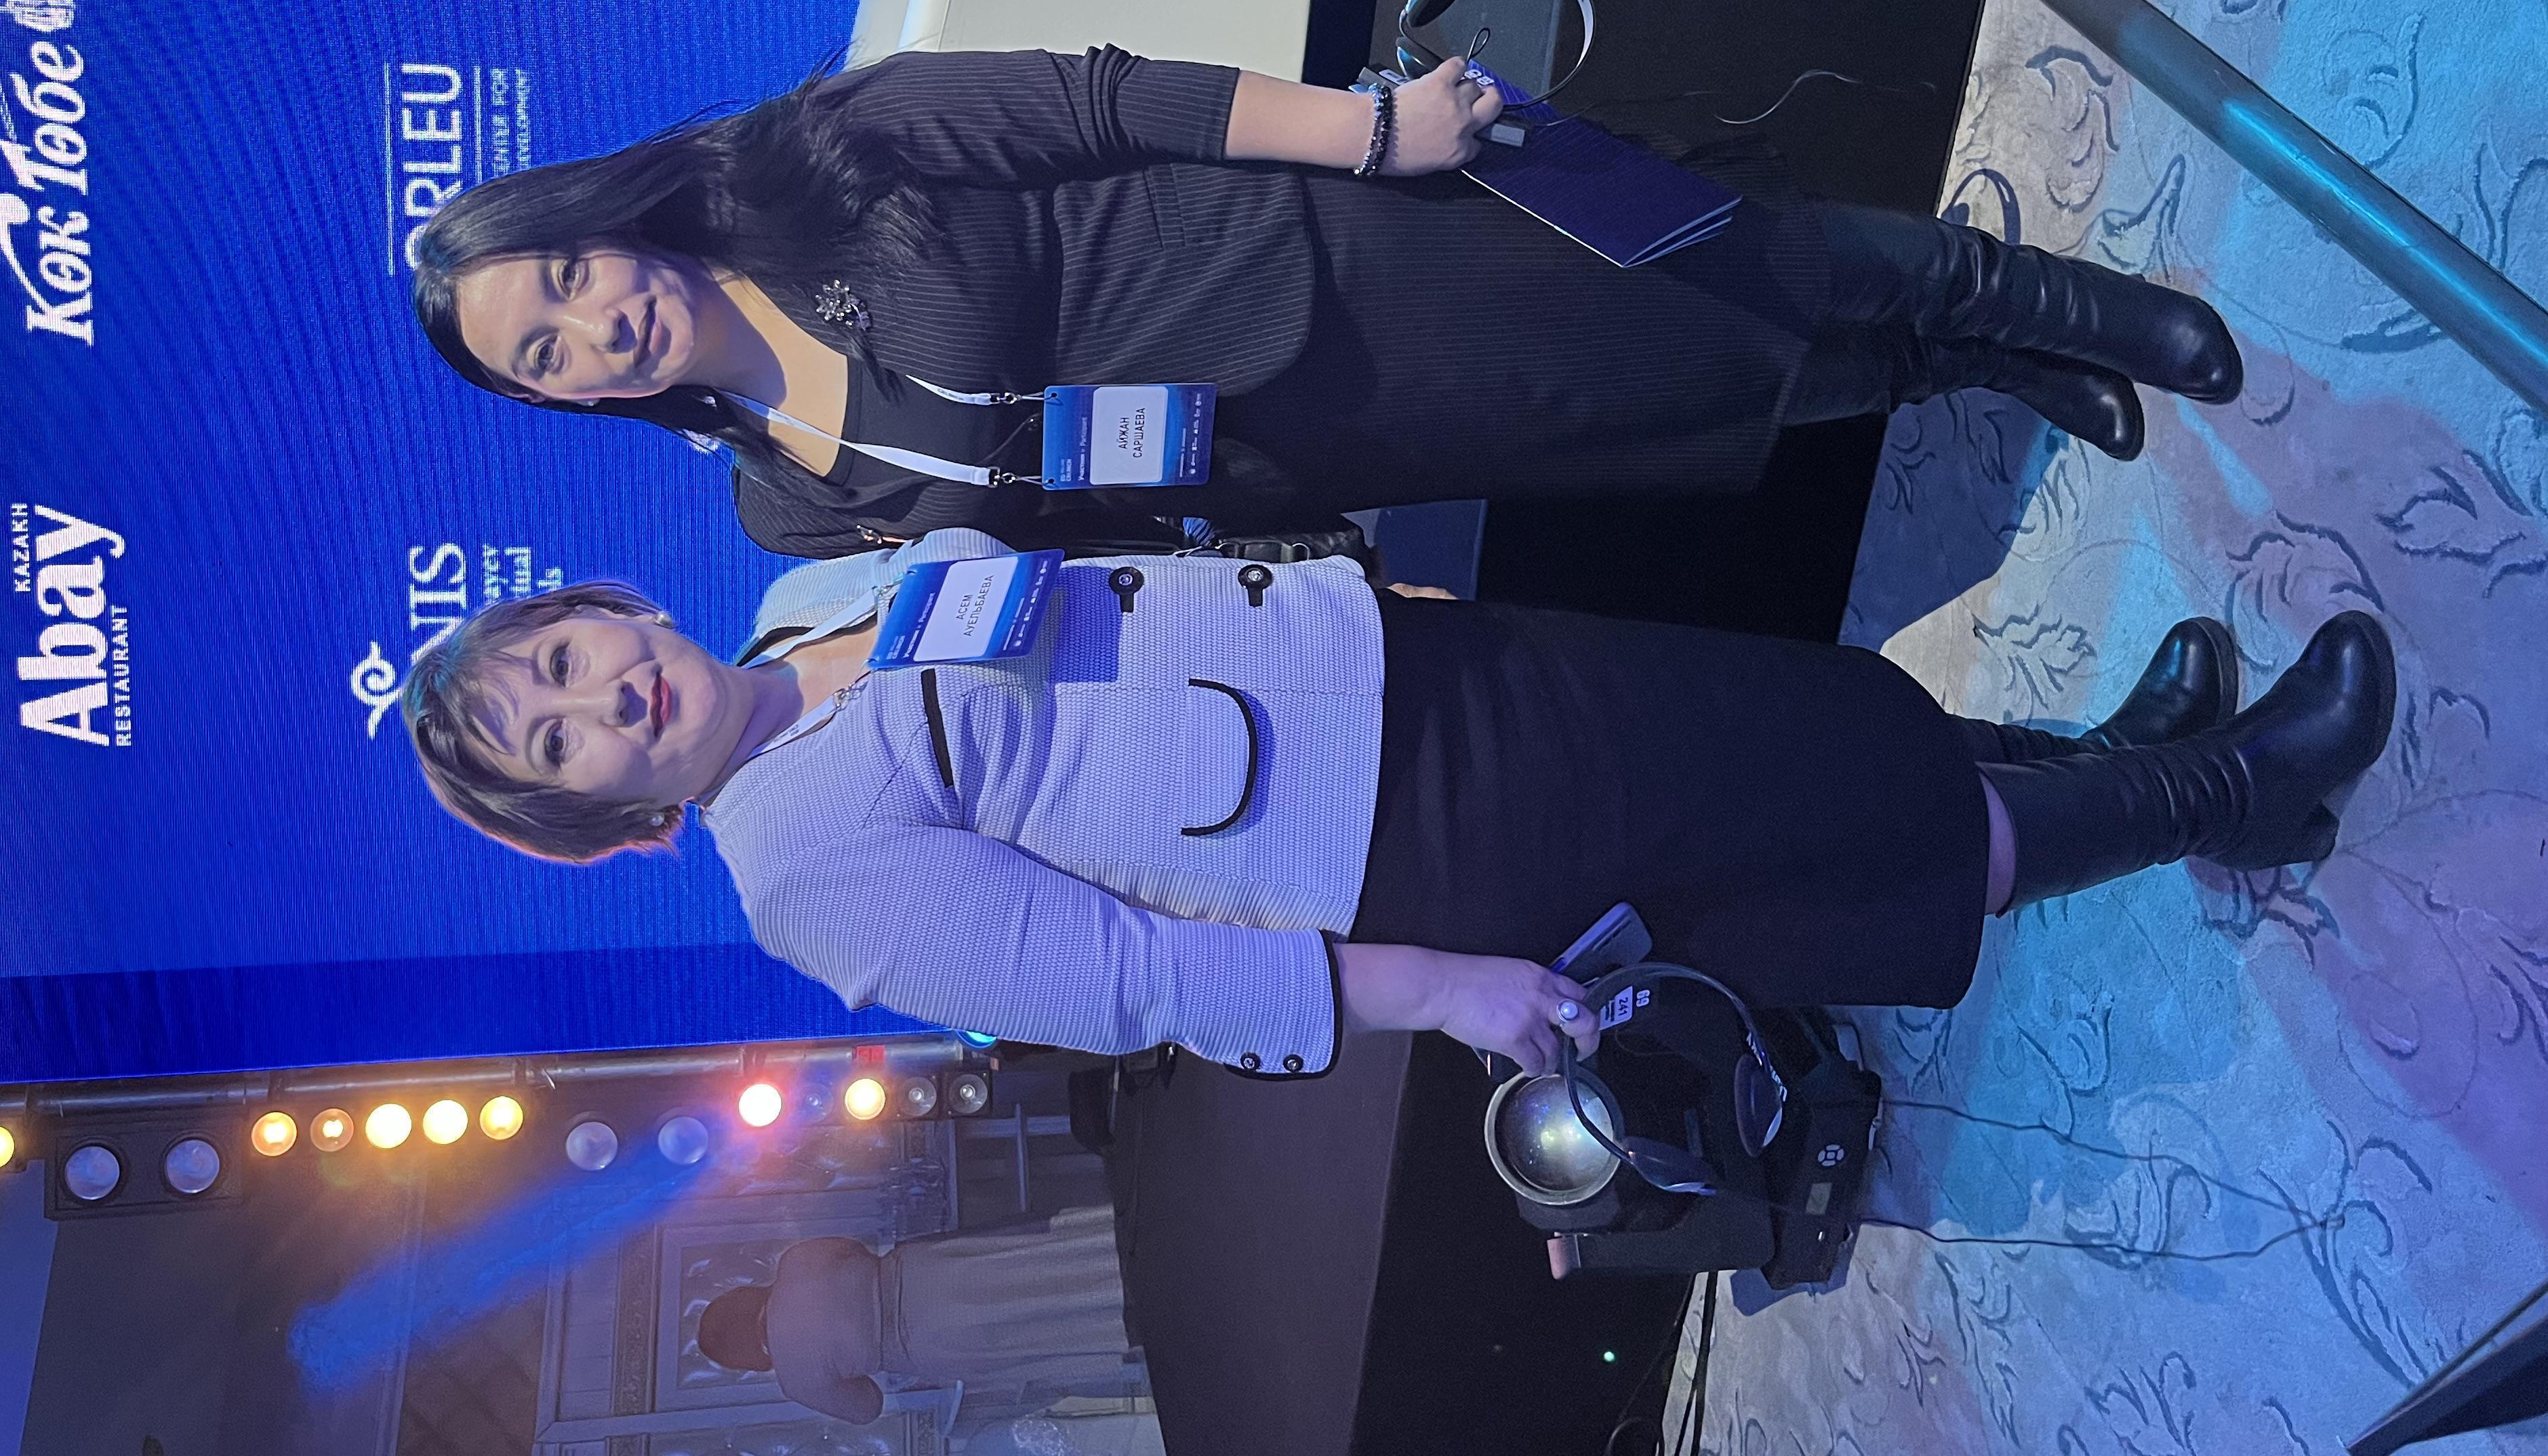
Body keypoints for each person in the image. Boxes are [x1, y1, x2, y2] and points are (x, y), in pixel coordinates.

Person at [399, 532, 2393, 1077]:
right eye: (558, 743)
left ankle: (2114, 763)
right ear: (613, 822)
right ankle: (2227, 794)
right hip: (1407, 835)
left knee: (1798, 728)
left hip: (1394, 670)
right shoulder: (794, 870)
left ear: (605, 609)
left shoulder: (804, 595)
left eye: (561, 659)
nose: (597, 697)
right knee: (1816, 841)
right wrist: (1440, 992)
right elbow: (1127, 982)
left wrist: (1354, 598)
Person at [409, 47, 2244, 557]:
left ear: (600, 219)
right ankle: (1961, 370)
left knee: (1722, 263)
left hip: (1340, 258)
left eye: (561, 276)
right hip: (1318, 443)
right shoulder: (783, 505)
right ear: (564, 403)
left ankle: (2053, 303)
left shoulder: (833, 150)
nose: (590, 327)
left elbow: (1110, 103)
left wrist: (1375, 133)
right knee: (1678, 408)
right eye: (544, 357)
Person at [691, 1207, 1133, 1424]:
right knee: (1037, 1265)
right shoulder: (796, 1261)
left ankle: (1131, 1325)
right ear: (744, 1296)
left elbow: (867, 1407)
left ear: (746, 1358)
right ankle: (1125, 1252)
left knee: (1038, 1332)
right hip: (926, 1268)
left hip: (927, 1341)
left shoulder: (796, 1380)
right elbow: (855, 1249)